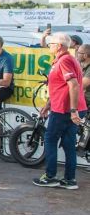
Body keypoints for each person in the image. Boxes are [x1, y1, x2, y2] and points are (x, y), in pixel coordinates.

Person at [33, 33, 87, 190]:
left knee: (50, 139)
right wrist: (48, 104)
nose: (49, 46)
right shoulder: (67, 59)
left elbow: (73, 85)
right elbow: (61, 86)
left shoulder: (64, 60)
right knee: (68, 144)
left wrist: (73, 110)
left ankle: (50, 177)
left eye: (51, 43)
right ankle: (70, 180)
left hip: (64, 110)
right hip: (65, 108)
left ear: (59, 46)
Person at [79, 44, 90, 110]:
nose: (77, 54)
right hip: (83, 97)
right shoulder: (81, 66)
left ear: (85, 55)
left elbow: (81, 85)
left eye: (79, 53)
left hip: (87, 100)